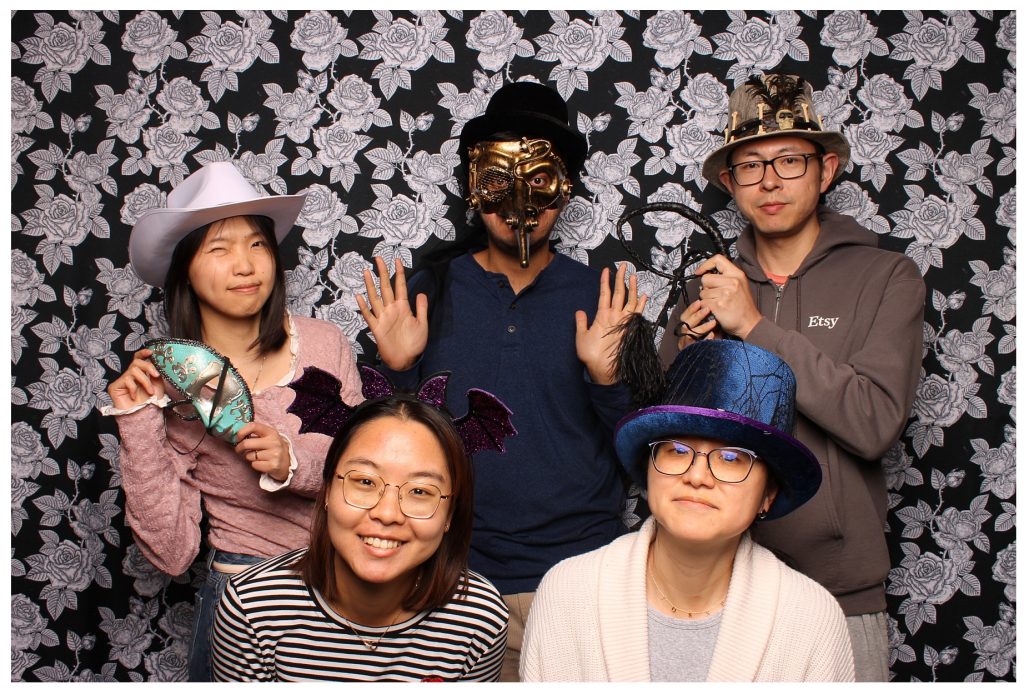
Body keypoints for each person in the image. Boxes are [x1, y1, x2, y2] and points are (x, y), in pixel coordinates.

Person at [356, 80, 645, 680]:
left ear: (564, 188)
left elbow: (646, 454)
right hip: (450, 583)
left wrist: (605, 378)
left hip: (581, 581)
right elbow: (381, 452)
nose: (518, 198)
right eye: (499, 175)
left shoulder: (603, 297)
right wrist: (399, 368)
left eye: (538, 176)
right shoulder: (425, 294)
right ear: (472, 184)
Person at [657, 73, 925, 681]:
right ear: (729, 183)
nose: (770, 180)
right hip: (714, 589)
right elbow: (667, 438)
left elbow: (874, 420)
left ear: (826, 170)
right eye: (750, 166)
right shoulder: (710, 285)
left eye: (789, 160)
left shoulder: (888, 277)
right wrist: (692, 359)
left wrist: (754, 327)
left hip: (839, 592)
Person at [102, 161, 363, 681]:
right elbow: (171, 554)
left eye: (257, 244)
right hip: (246, 595)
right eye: (219, 249)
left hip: (351, 580)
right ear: (186, 271)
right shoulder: (173, 383)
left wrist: (295, 464)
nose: (245, 266)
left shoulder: (324, 343)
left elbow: (369, 473)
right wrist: (138, 422)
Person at [521, 340, 855, 682]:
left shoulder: (811, 618)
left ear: (768, 494)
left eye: (730, 459)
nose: (696, 476)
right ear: (649, 471)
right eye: (678, 451)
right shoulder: (567, 594)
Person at [210, 391, 509, 681]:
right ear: (326, 491)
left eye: (420, 491)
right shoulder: (251, 609)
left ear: (450, 515)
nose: (388, 513)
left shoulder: (479, 618)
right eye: (364, 481)